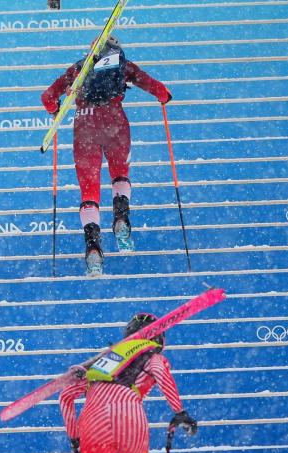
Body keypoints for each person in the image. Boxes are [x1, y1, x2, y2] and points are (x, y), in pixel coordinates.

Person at [58, 313, 197, 453]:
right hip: (130, 414)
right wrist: (179, 412)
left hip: (93, 420)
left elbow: (65, 396)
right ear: (158, 339)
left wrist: (75, 439)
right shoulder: (151, 357)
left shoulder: (103, 363)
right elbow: (161, 373)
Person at [41, 36, 172, 276]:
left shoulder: (78, 68)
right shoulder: (124, 66)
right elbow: (156, 87)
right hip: (115, 121)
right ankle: (121, 217)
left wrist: (55, 109)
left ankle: (93, 246)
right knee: (119, 174)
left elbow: (47, 97)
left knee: (89, 190)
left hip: (85, 125)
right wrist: (164, 96)